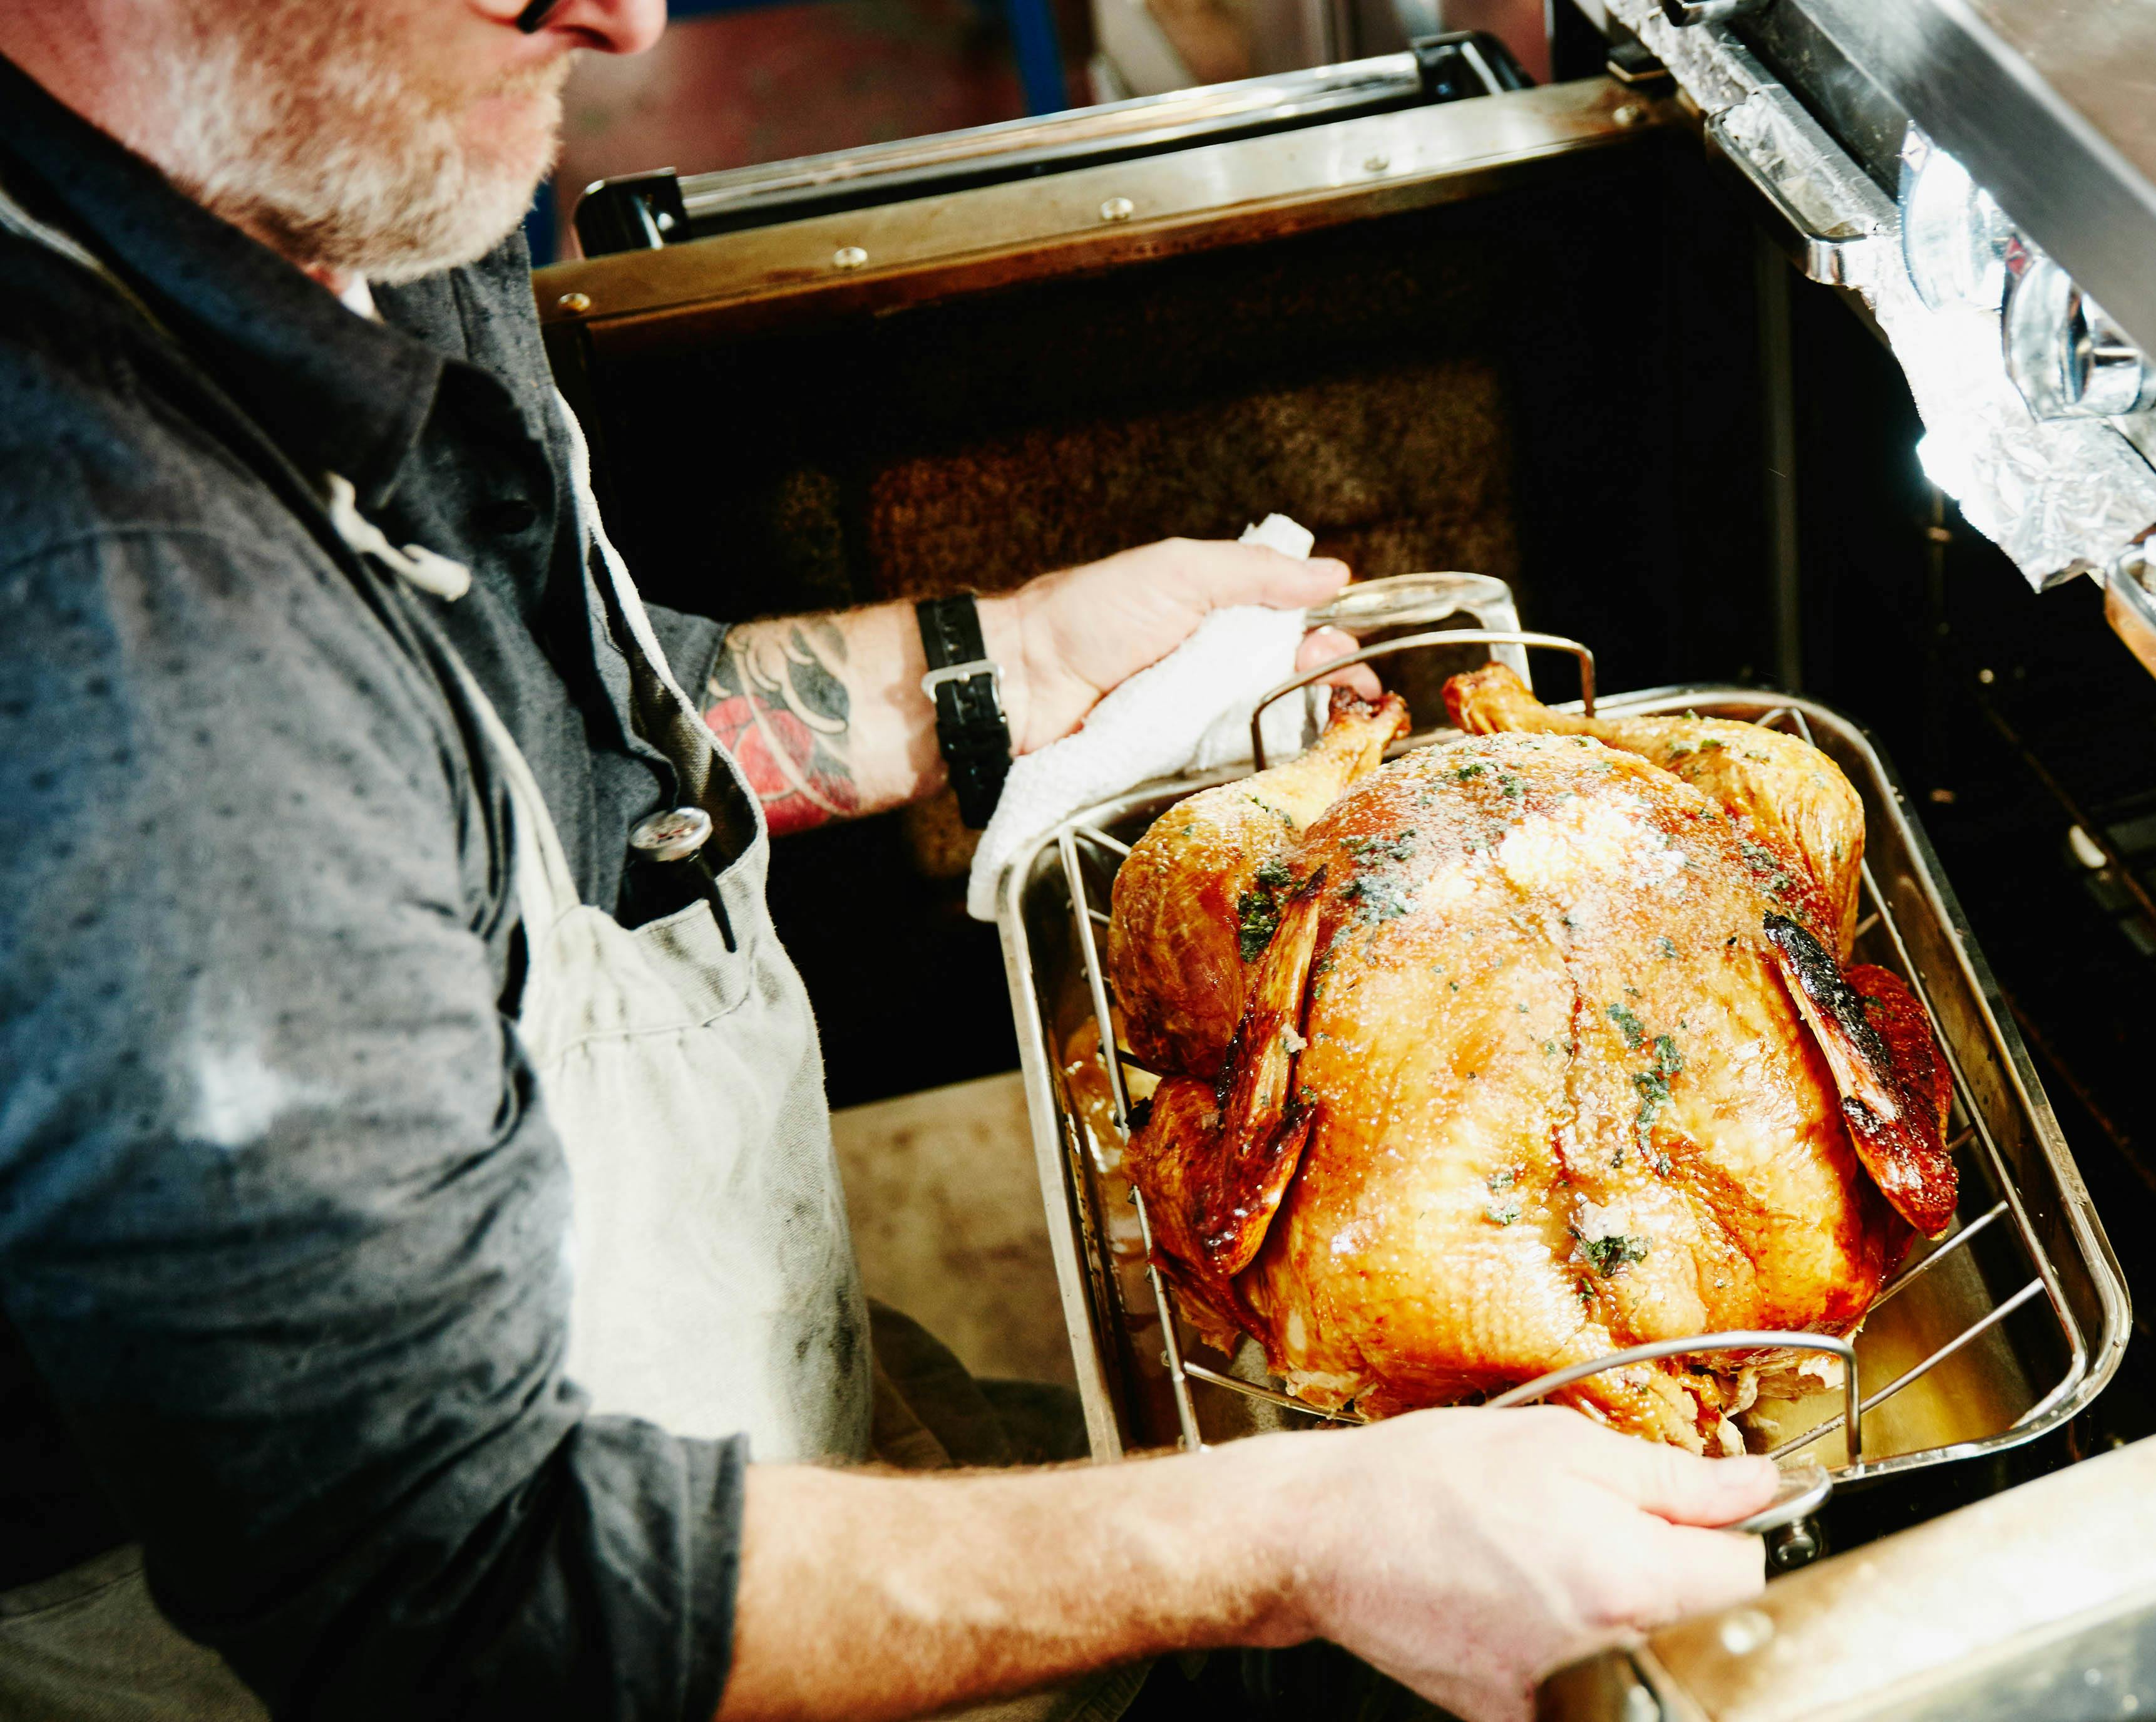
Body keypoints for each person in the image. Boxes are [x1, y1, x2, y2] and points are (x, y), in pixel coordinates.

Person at [0, 3, 1780, 1719]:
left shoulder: (333, 157)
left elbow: (529, 741)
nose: (626, 23)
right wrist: (1296, 1539)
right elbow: (466, 1592)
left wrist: (1005, 665)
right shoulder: (114, 632)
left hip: (730, 1446)